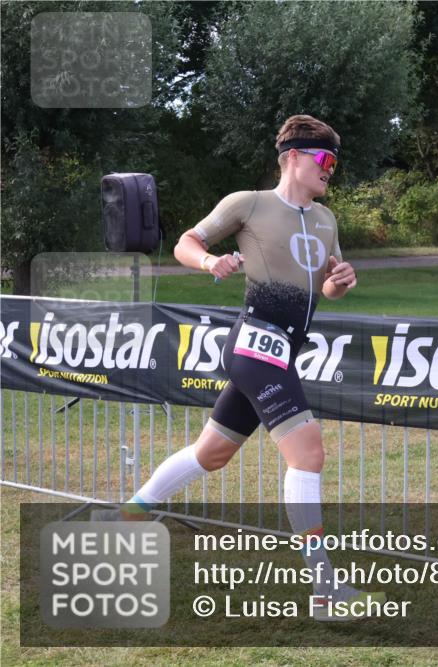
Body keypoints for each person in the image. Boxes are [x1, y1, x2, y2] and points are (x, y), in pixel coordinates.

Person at [92, 115, 381, 621]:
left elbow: (327, 287)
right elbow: (186, 241)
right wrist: (209, 263)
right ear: (293, 156)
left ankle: (125, 518)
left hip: (283, 349)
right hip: (254, 344)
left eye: (335, 163)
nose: (330, 171)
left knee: (212, 453)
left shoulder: (327, 220)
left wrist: (342, 279)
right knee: (307, 452)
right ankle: (324, 589)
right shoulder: (249, 203)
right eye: (324, 160)